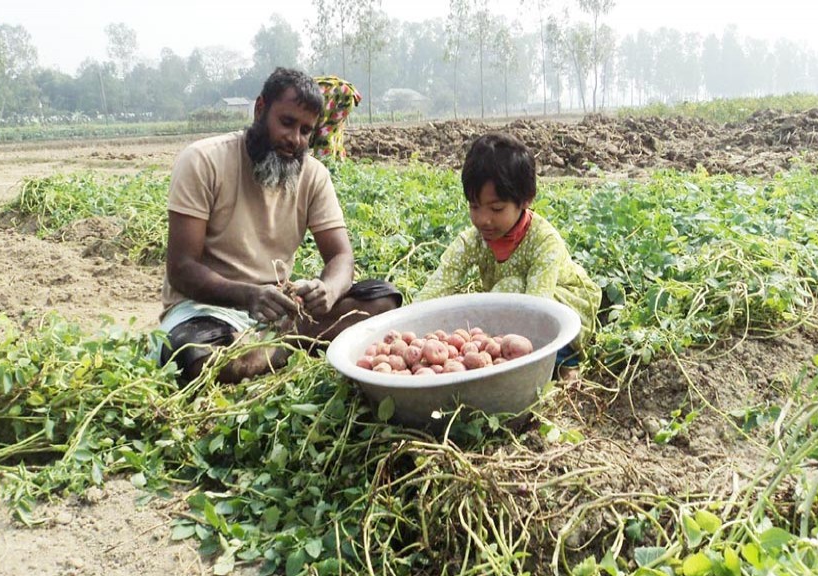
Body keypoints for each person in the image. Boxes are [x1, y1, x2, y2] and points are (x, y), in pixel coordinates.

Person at [158, 67, 401, 384]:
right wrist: (249, 296)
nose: (294, 139)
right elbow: (181, 267)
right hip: (208, 311)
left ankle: (273, 347)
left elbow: (341, 256)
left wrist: (328, 289)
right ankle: (291, 345)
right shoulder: (204, 161)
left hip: (282, 312)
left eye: (305, 130)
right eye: (286, 123)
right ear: (260, 109)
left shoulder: (313, 176)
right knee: (193, 356)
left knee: (384, 301)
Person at [415, 132, 601, 379]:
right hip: (507, 308)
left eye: (496, 208)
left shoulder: (544, 240)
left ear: (525, 200)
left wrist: (494, 348)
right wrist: (412, 333)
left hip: (563, 305)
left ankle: (567, 360)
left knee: (509, 290)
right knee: (497, 300)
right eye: (474, 206)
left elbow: (538, 309)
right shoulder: (473, 240)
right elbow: (439, 284)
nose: (483, 219)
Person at [310, 75, 362, 160]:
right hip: (343, 91)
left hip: (339, 93)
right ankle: (336, 162)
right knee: (333, 132)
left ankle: (327, 165)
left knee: (325, 133)